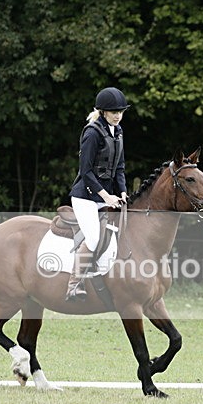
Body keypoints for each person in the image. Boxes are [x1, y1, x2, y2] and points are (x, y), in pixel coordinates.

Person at [66, 87, 130, 301]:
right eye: (114, 112)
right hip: (85, 197)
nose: (118, 115)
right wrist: (106, 195)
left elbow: (119, 167)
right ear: (103, 112)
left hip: (106, 196)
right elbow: (86, 171)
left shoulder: (118, 132)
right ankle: (74, 285)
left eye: (121, 111)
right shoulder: (92, 133)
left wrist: (122, 192)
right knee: (93, 238)